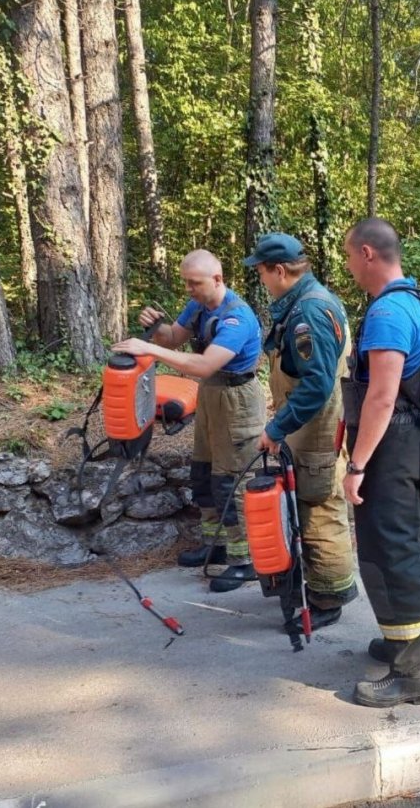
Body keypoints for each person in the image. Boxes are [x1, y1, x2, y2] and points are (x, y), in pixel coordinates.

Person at [341, 217, 420, 708]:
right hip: (408, 442)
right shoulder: (414, 304)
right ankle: (400, 636)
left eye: (348, 256)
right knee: (389, 543)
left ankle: (414, 671)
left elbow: (381, 398)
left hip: (392, 443)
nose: (348, 267)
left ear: (368, 253)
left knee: (393, 546)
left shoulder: (388, 314)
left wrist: (357, 465)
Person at [112, 250, 265, 592]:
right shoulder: (200, 306)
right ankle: (217, 545)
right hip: (211, 394)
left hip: (238, 399)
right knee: (206, 472)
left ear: (218, 279)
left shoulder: (237, 317)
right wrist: (154, 329)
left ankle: (246, 561)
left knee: (233, 480)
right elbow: (174, 339)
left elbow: (203, 364)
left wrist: (149, 350)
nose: (189, 290)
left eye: (194, 283)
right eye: (186, 283)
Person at [246, 232, 359, 630]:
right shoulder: (304, 303)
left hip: (315, 426)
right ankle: (312, 587)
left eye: (261, 271)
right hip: (307, 423)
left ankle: (329, 600)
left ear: (279, 270)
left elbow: (316, 385)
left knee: (319, 510)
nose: (261, 279)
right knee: (307, 507)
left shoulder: (308, 312)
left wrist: (277, 428)